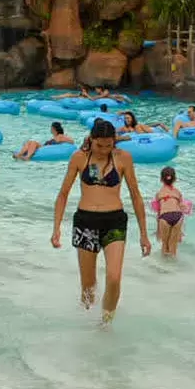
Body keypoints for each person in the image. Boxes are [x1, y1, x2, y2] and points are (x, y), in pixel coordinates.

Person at [51, 119, 151, 324]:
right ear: (91, 139)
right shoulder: (79, 157)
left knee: (114, 277)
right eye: (99, 145)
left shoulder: (123, 158)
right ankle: (86, 325)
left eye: (108, 145)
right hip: (85, 222)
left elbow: (136, 196)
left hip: (114, 221)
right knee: (88, 287)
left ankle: (105, 324)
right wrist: (56, 228)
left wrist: (144, 234)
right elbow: (63, 194)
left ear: (114, 141)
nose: (104, 150)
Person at [151, 166, 189, 257]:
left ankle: (163, 264)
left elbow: (159, 212)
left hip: (165, 216)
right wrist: (180, 231)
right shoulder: (178, 192)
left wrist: (158, 230)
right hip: (178, 216)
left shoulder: (159, 193)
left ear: (161, 179)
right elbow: (181, 208)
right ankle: (174, 264)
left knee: (165, 244)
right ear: (174, 179)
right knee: (173, 245)